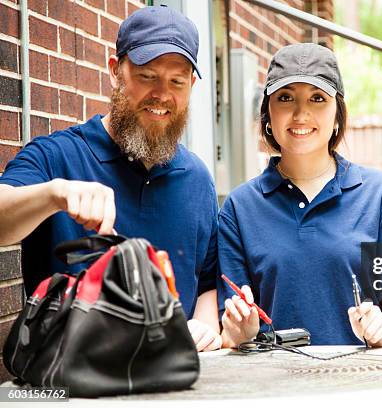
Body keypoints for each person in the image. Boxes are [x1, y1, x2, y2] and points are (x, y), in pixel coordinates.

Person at [0, 6, 221, 351]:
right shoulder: (57, 156)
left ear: (191, 85)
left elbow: (208, 281)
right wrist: (53, 195)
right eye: (148, 75)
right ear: (116, 71)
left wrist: (205, 325)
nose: (162, 94)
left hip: (173, 382)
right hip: (73, 386)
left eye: (176, 81)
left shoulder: (197, 179)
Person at [218, 43, 382, 348]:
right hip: (272, 390)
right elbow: (231, 333)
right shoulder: (238, 209)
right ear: (268, 115)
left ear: (338, 114)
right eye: (285, 98)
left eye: (317, 99)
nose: (301, 113)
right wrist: (238, 332)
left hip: (362, 386)